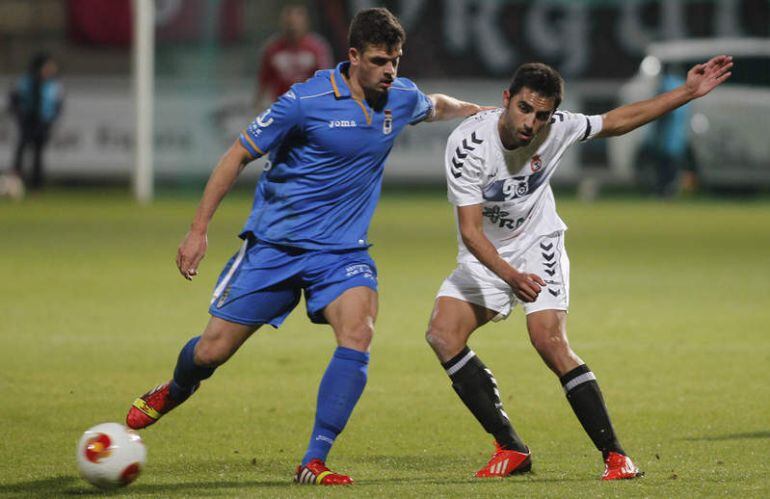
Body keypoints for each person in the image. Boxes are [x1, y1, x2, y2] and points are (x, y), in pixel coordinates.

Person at [126, 7, 487, 486]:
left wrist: (479, 113)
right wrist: (198, 229)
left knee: (358, 333)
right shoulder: (304, 100)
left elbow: (435, 104)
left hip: (342, 253)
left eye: (396, 60)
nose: (391, 71)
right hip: (276, 248)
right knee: (211, 352)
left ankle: (313, 461)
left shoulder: (399, 97)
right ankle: (175, 388)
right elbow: (237, 154)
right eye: (380, 61)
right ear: (353, 56)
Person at [425, 57, 732, 480]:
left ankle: (616, 457)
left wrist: (687, 93)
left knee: (547, 340)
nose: (532, 122)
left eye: (542, 114)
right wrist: (511, 278)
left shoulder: (559, 128)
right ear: (506, 100)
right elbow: (471, 232)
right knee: (443, 334)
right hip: (488, 253)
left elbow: (618, 120)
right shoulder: (468, 146)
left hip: (538, 243)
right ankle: (511, 448)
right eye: (525, 108)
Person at [255, 5, 333, 109]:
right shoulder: (272, 49)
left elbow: (326, 78)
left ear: (305, 24)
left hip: (310, 105)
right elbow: (263, 79)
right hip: (282, 106)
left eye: (296, 25)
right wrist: (257, 102)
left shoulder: (317, 48)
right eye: (289, 25)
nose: (292, 29)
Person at [8, 52, 63, 190]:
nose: (52, 69)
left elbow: (58, 105)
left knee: (38, 154)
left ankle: (36, 186)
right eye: (48, 66)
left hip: (43, 123)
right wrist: (20, 115)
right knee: (21, 150)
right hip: (27, 121)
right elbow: (14, 100)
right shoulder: (26, 82)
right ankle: (14, 183)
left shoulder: (53, 85)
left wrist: (51, 119)